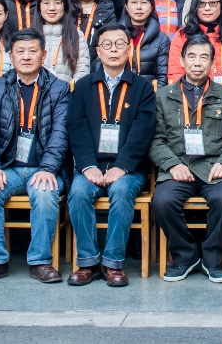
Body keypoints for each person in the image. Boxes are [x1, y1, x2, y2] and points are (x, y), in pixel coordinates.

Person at [0, 28, 71, 284]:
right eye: (20, 51)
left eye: (32, 51)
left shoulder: (59, 88)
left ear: (43, 55)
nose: (26, 56)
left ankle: (40, 261)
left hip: (45, 168)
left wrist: (48, 168)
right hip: (8, 168)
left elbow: (61, 133)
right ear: (11, 56)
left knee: (45, 192)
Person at [66, 24, 158, 286]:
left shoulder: (142, 87)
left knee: (121, 190)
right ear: (98, 51)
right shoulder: (83, 86)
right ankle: (88, 262)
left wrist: (123, 166)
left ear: (129, 49)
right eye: (107, 44)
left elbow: (143, 130)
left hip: (128, 168)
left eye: (120, 44)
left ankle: (112, 264)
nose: (114, 49)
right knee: (79, 192)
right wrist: (87, 166)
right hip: (92, 165)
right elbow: (77, 128)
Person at [150, 35, 222, 282]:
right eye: (191, 56)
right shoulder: (163, 97)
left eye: (204, 57)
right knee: (163, 201)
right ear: (181, 61)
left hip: (216, 168)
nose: (197, 62)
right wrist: (172, 164)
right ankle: (185, 256)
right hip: (178, 167)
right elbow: (155, 139)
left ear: (213, 63)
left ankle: (214, 259)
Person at [167, 0, 222, 85]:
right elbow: (175, 75)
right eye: (201, 3)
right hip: (190, 92)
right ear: (195, 6)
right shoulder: (182, 35)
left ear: (221, 5)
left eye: (213, 3)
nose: (207, 8)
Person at [37, 0, 91, 85]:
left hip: (67, 93)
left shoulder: (76, 36)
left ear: (65, 6)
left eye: (57, 3)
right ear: (39, 6)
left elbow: (82, 71)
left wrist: (66, 91)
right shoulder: (29, 36)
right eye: (46, 3)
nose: (51, 8)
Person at [121, 0, 170, 88]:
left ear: (151, 7)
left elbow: (162, 77)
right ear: (126, 6)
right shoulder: (115, 36)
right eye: (134, 2)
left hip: (148, 93)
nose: (139, 7)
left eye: (144, 2)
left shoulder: (161, 39)